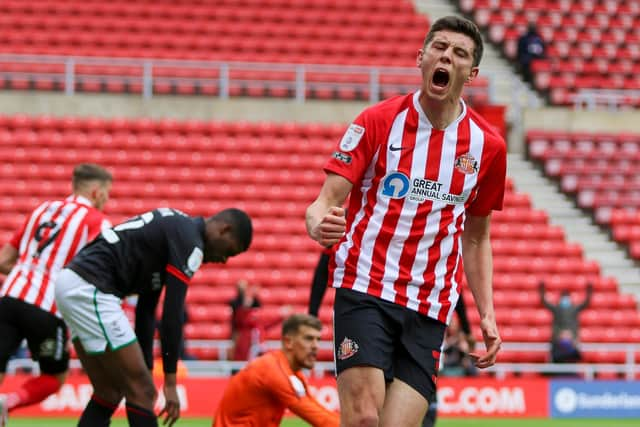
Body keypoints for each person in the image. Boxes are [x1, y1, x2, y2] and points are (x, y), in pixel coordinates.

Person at [305, 15, 506, 427]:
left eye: (460, 53)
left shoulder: (488, 147)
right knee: (364, 419)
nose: (447, 56)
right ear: (421, 57)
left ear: (472, 73)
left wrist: (486, 312)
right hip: (365, 285)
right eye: (440, 47)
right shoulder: (378, 121)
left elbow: (476, 237)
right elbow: (324, 201)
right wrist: (317, 223)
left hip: (430, 306)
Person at [54, 207, 252, 427]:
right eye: (230, 251)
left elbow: (146, 311)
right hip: (91, 287)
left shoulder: (174, 232)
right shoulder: (190, 242)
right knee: (145, 392)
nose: (224, 260)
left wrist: (147, 366)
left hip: (73, 283)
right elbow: (172, 314)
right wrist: (170, 381)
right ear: (225, 229)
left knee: (109, 391)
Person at [0, 163, 113, 425]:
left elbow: (4, 260)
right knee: (55, 376)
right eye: (107, 194)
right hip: (47, 308)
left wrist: (30, 273)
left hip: (8, 297)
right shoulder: (97, 221)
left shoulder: (41, 210)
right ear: (96, 192)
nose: (106, 200)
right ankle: (8, 402)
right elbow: (103, 272)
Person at [213, 314, 340, 427]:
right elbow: (317, 418)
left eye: (318, 339)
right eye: (308, 338)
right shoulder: (274, 371)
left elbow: (316, 408)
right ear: (288, 342)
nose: (315, 346)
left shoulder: (292, 373)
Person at [539, 282, 593, 363]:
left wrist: (589, 292)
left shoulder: (574, 308)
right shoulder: (556, 309)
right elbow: (545, 302)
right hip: (558, 339)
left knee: (575, 353)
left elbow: (586, 303)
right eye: (564, 297)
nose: (565, 299)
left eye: (566, 297)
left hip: (572, 337)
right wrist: (542, 291)